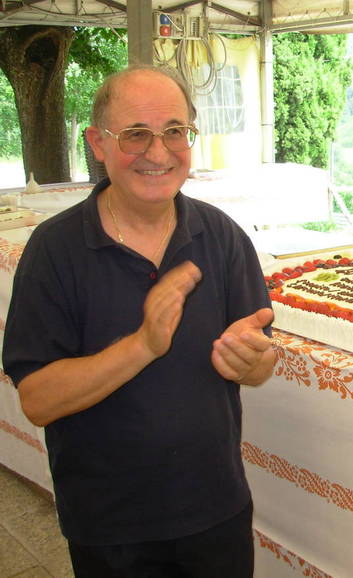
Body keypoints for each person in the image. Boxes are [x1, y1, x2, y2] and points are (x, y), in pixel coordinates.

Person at [2, 64, 276, 577]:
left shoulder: (222, 236)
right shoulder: (54, 250)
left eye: (175, 132)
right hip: (109, 525)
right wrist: (143, 344)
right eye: (135, 135)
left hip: (216, 509)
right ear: (97, 144)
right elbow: (37, 399)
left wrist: (253, 362)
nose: (158, 152)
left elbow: (258, 366)